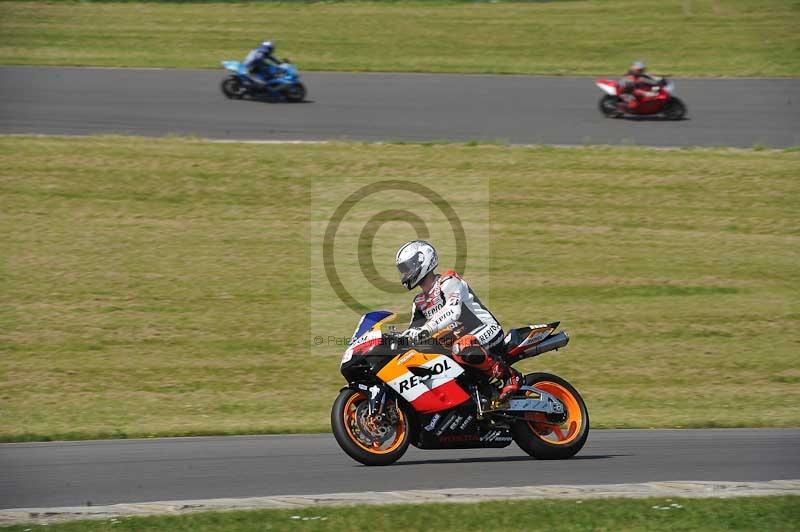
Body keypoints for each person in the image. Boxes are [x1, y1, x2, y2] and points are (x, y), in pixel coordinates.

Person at [395, 240, 523, 401]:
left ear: (423, 260)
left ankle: (509, 376)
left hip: (486, 330)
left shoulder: (449, 281)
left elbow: (452, 311)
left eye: (407, 268)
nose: (405, 274)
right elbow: (413, 330)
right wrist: (395, 339)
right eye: (403, 270)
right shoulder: (419, 302)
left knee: (460, 347)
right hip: (460, 344)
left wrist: (427, 329)